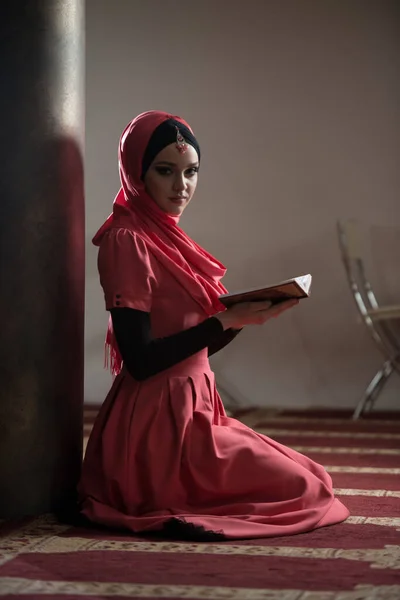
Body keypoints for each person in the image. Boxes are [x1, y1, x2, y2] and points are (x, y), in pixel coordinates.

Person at [79, 110, 349, 540]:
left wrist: (242, 320)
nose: (180, 185)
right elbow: (142, 360)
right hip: (157, 430)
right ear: (136, 173)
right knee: (305, 488)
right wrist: (225, 320)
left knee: (312, 476)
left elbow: (193, 350)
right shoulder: (126, 240)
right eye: (165, 171)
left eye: (191, 172)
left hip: (195, 410)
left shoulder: (163, 236)